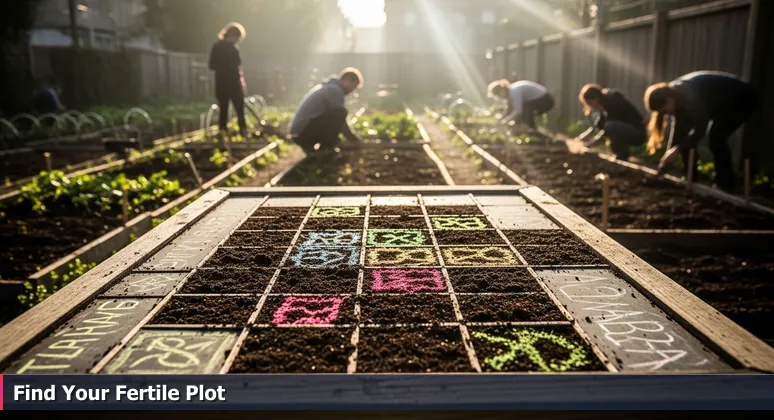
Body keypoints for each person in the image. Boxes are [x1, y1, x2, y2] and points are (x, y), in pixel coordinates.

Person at [644, 71, 758, 192]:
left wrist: (677, 149)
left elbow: (700, 128)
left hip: (741, 99)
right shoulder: (676, 97)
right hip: (720, 103)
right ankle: (691, 178)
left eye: (664, 110)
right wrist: (667, 158)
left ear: (669, 99)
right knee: (686, 142)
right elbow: (679, 132)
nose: (665, 114)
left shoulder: (687, 96)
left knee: (716, 138)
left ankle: (725, 184)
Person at [290, 68, 364, 155]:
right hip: (303, 134)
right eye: (353, 86)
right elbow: (339, 119)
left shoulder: (330, 87)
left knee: (338, 112)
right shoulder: (335, 90)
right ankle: (326, 148)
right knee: (340, 112)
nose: (352, 91)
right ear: (346, 80)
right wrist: (352, 138)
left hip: (301, 132)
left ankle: (324, 148)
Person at [574, 84, 647, 161]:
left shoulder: (612, 102)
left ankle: (622, 154)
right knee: (610, 125)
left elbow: (606, 131)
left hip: (638, 134)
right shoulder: (605, 103)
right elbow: (596, 126)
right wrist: (579, 139)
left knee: (610, 126)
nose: (590, 106)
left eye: (589, 103)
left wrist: (590, 144)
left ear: (595, 98)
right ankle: (620, 154)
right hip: (631, 130)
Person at [208, 22, 247, 136]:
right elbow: (237, 67)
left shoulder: (217, 46)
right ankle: (243, 132)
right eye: (237, 38)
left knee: (223, 110)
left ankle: (223, 132)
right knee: (240, 110)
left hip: (220, 84)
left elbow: (211, 65)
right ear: (234, 36)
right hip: (234, 84)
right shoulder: (233, 49)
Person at [487, 79, 554, 130]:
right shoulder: (510, 92)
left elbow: (518, 111)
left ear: (501, 91)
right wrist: (501, 120)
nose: (500, 98)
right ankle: (527, 127)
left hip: (546, 100)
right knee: (523, 109)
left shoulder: (515, 92)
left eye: (499, 95)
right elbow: (508, 110)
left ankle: (531, 129)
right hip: (540, 99)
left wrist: (505, 121)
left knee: (524, 109)